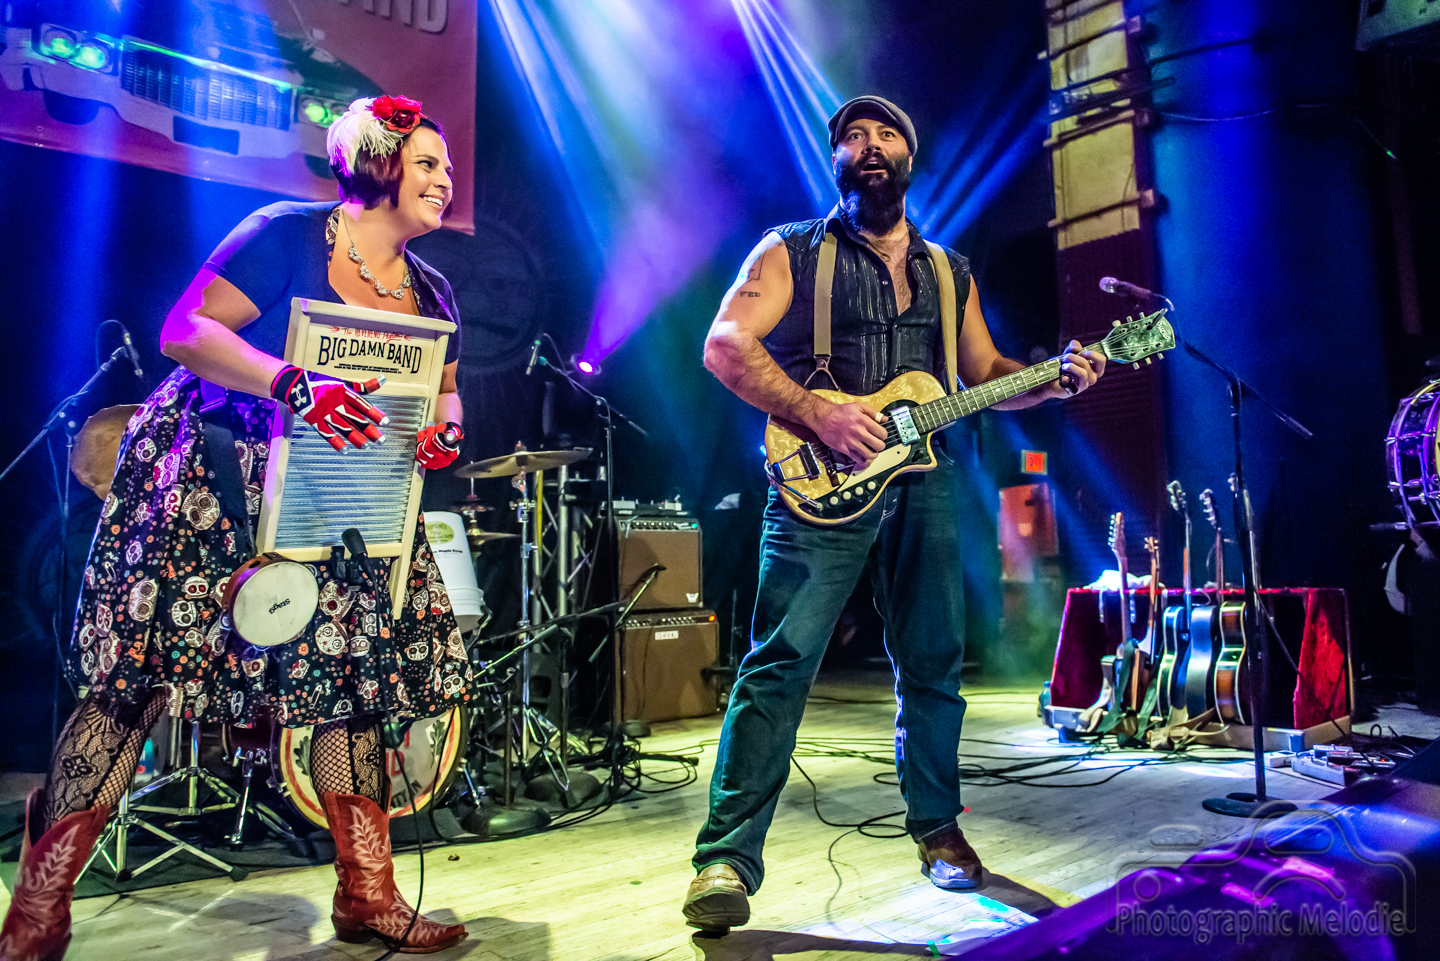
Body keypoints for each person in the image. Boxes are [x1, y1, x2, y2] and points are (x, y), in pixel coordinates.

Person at [0, 96, 473, 960]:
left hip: (337, 498)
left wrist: (444, 431)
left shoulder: (432, 290)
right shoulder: (287, 235)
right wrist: (294, 382)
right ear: (378, 163)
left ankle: (366, 892)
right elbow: (185, 330)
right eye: (429, 164)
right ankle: (38, 906)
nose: (447, 179)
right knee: (136, 684)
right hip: (216, 479)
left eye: (446, 167)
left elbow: (444, 391)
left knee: (354, 684)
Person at [682, 95, 1106, 932]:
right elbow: (725, 344)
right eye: (853, 136)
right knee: (778, 665)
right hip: (815, 486)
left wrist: (1051, 379)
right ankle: (723, 859)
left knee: (933, 663)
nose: (870, 145)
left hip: (924, 483)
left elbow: (985, 372)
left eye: (886, 134)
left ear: (910, 159)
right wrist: (819, 412)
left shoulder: (950, 271)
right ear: (835, 158)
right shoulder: (791, 251)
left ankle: (939, 830)